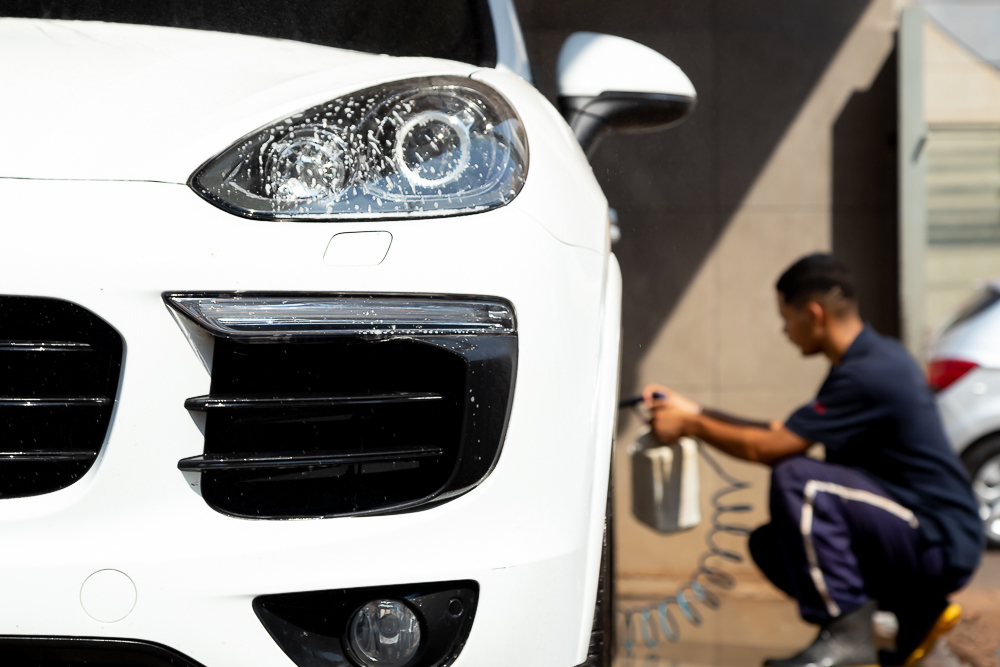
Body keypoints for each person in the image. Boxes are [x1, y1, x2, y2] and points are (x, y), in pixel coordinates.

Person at [644, 253, 983, 667]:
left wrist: (693, 425)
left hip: (938, 541)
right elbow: (780, 433)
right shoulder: (868, 360)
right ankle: (917, 614)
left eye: (786, 317)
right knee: (774, 544)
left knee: (801, 482)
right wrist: (694, 412)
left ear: (814, 313)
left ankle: (847, 636)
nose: (785, 331)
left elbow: (771, 448)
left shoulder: (868, 372)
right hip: (920, 533)